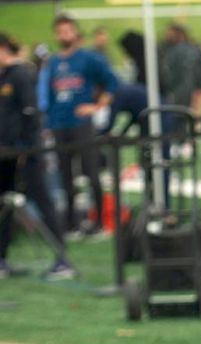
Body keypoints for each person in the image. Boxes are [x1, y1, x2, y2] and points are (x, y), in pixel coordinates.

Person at [0, 32, 75, 280]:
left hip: (27, 154)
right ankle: (2, 260)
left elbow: (31, 115)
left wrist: (26, 148)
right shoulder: (4, 77)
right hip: (7, 154)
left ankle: (62, 260)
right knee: (5, 206)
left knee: (43, 202)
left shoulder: (20, 75)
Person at [43, 15, 117, 236]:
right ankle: (71, 223)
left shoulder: (88, 59)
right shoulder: (54, 62)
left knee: (91, 172)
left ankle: (99, 223)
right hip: (59, 125)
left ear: (75, 33)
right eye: (60, 31)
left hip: (81, 124)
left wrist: (96, 106)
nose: (64, 35)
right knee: (65, 176)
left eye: (68, 31)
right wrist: (49, 122)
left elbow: (112, 82)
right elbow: (50, 95)